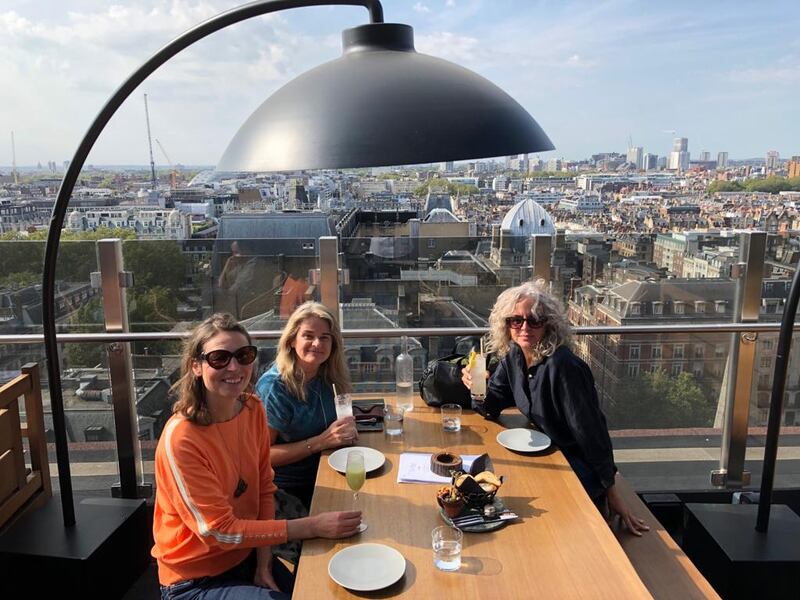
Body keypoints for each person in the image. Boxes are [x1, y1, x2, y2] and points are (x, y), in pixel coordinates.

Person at [152, 313, 362, 599]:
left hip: (244, 556)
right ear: (196, 367)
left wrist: (264, 564)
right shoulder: (182, 438)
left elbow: (263, 489)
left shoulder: (251, 409)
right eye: (219, 359)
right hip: (194, 579)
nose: (234, 367)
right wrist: (311, 525)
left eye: (244, 355)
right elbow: (218, 532)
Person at [461, 281, 650, 536]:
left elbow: (592, 433)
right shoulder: (514, 357)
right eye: (516, 320)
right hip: (545, 458)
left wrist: (611, 491)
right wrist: (477, 387)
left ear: (548, 324)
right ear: (506, 325)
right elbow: (491, 407)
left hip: (575, 466)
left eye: (534, 320)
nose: (524, 327)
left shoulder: (563, 367)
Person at [255, 302, 357, 510]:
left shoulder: (329, 375)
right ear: (292, 340)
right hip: (291, 490)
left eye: (324, 337)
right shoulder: (275, 387)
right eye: (308, 336)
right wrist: (320, 442)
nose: (317, 343)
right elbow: (262, 456)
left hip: (329, 471)